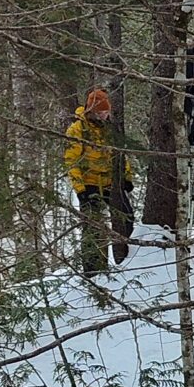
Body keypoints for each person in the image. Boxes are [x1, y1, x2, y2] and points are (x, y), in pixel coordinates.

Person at [63, 87, 134, 276]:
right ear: (92, 111)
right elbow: (72, 162)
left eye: (107, 111)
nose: (105, 115)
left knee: (127, 218)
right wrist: (80, 189)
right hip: (89, 185)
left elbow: (120, 155)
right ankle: (93, 272)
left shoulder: (109, 129)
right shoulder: (77, 130)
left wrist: (127, 177)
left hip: (111, 183)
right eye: (101, 112)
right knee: (93, 229)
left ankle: (126, 262)